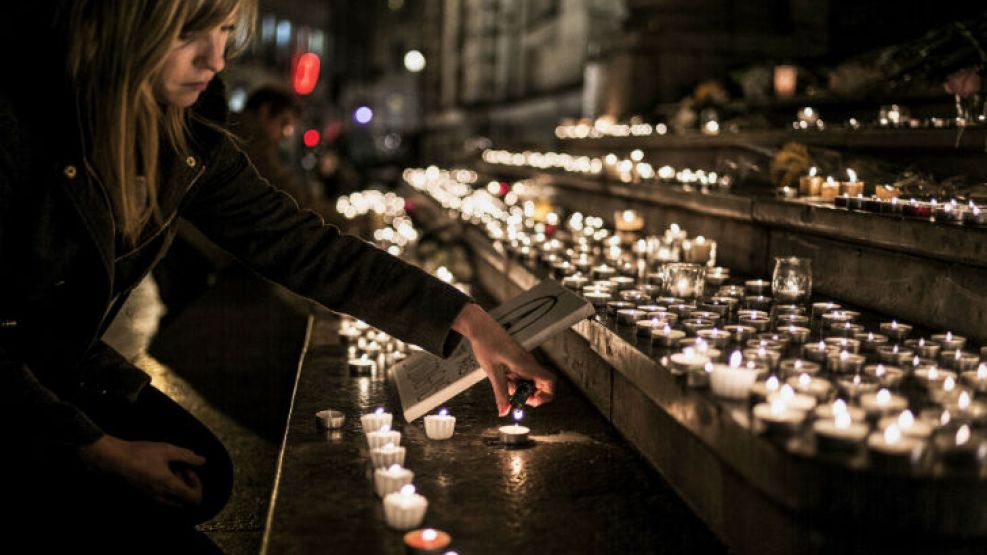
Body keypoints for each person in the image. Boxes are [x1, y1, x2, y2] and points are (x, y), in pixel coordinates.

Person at [0, 0, 555, 548]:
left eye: (223, 31)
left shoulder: (186, 140)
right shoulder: (18, 126)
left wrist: (465, 318)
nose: (215, 60)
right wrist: (95, 448)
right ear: (126, 30)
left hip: (59, 359)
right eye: (189, 33)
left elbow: (303, 245)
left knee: (205, 476)